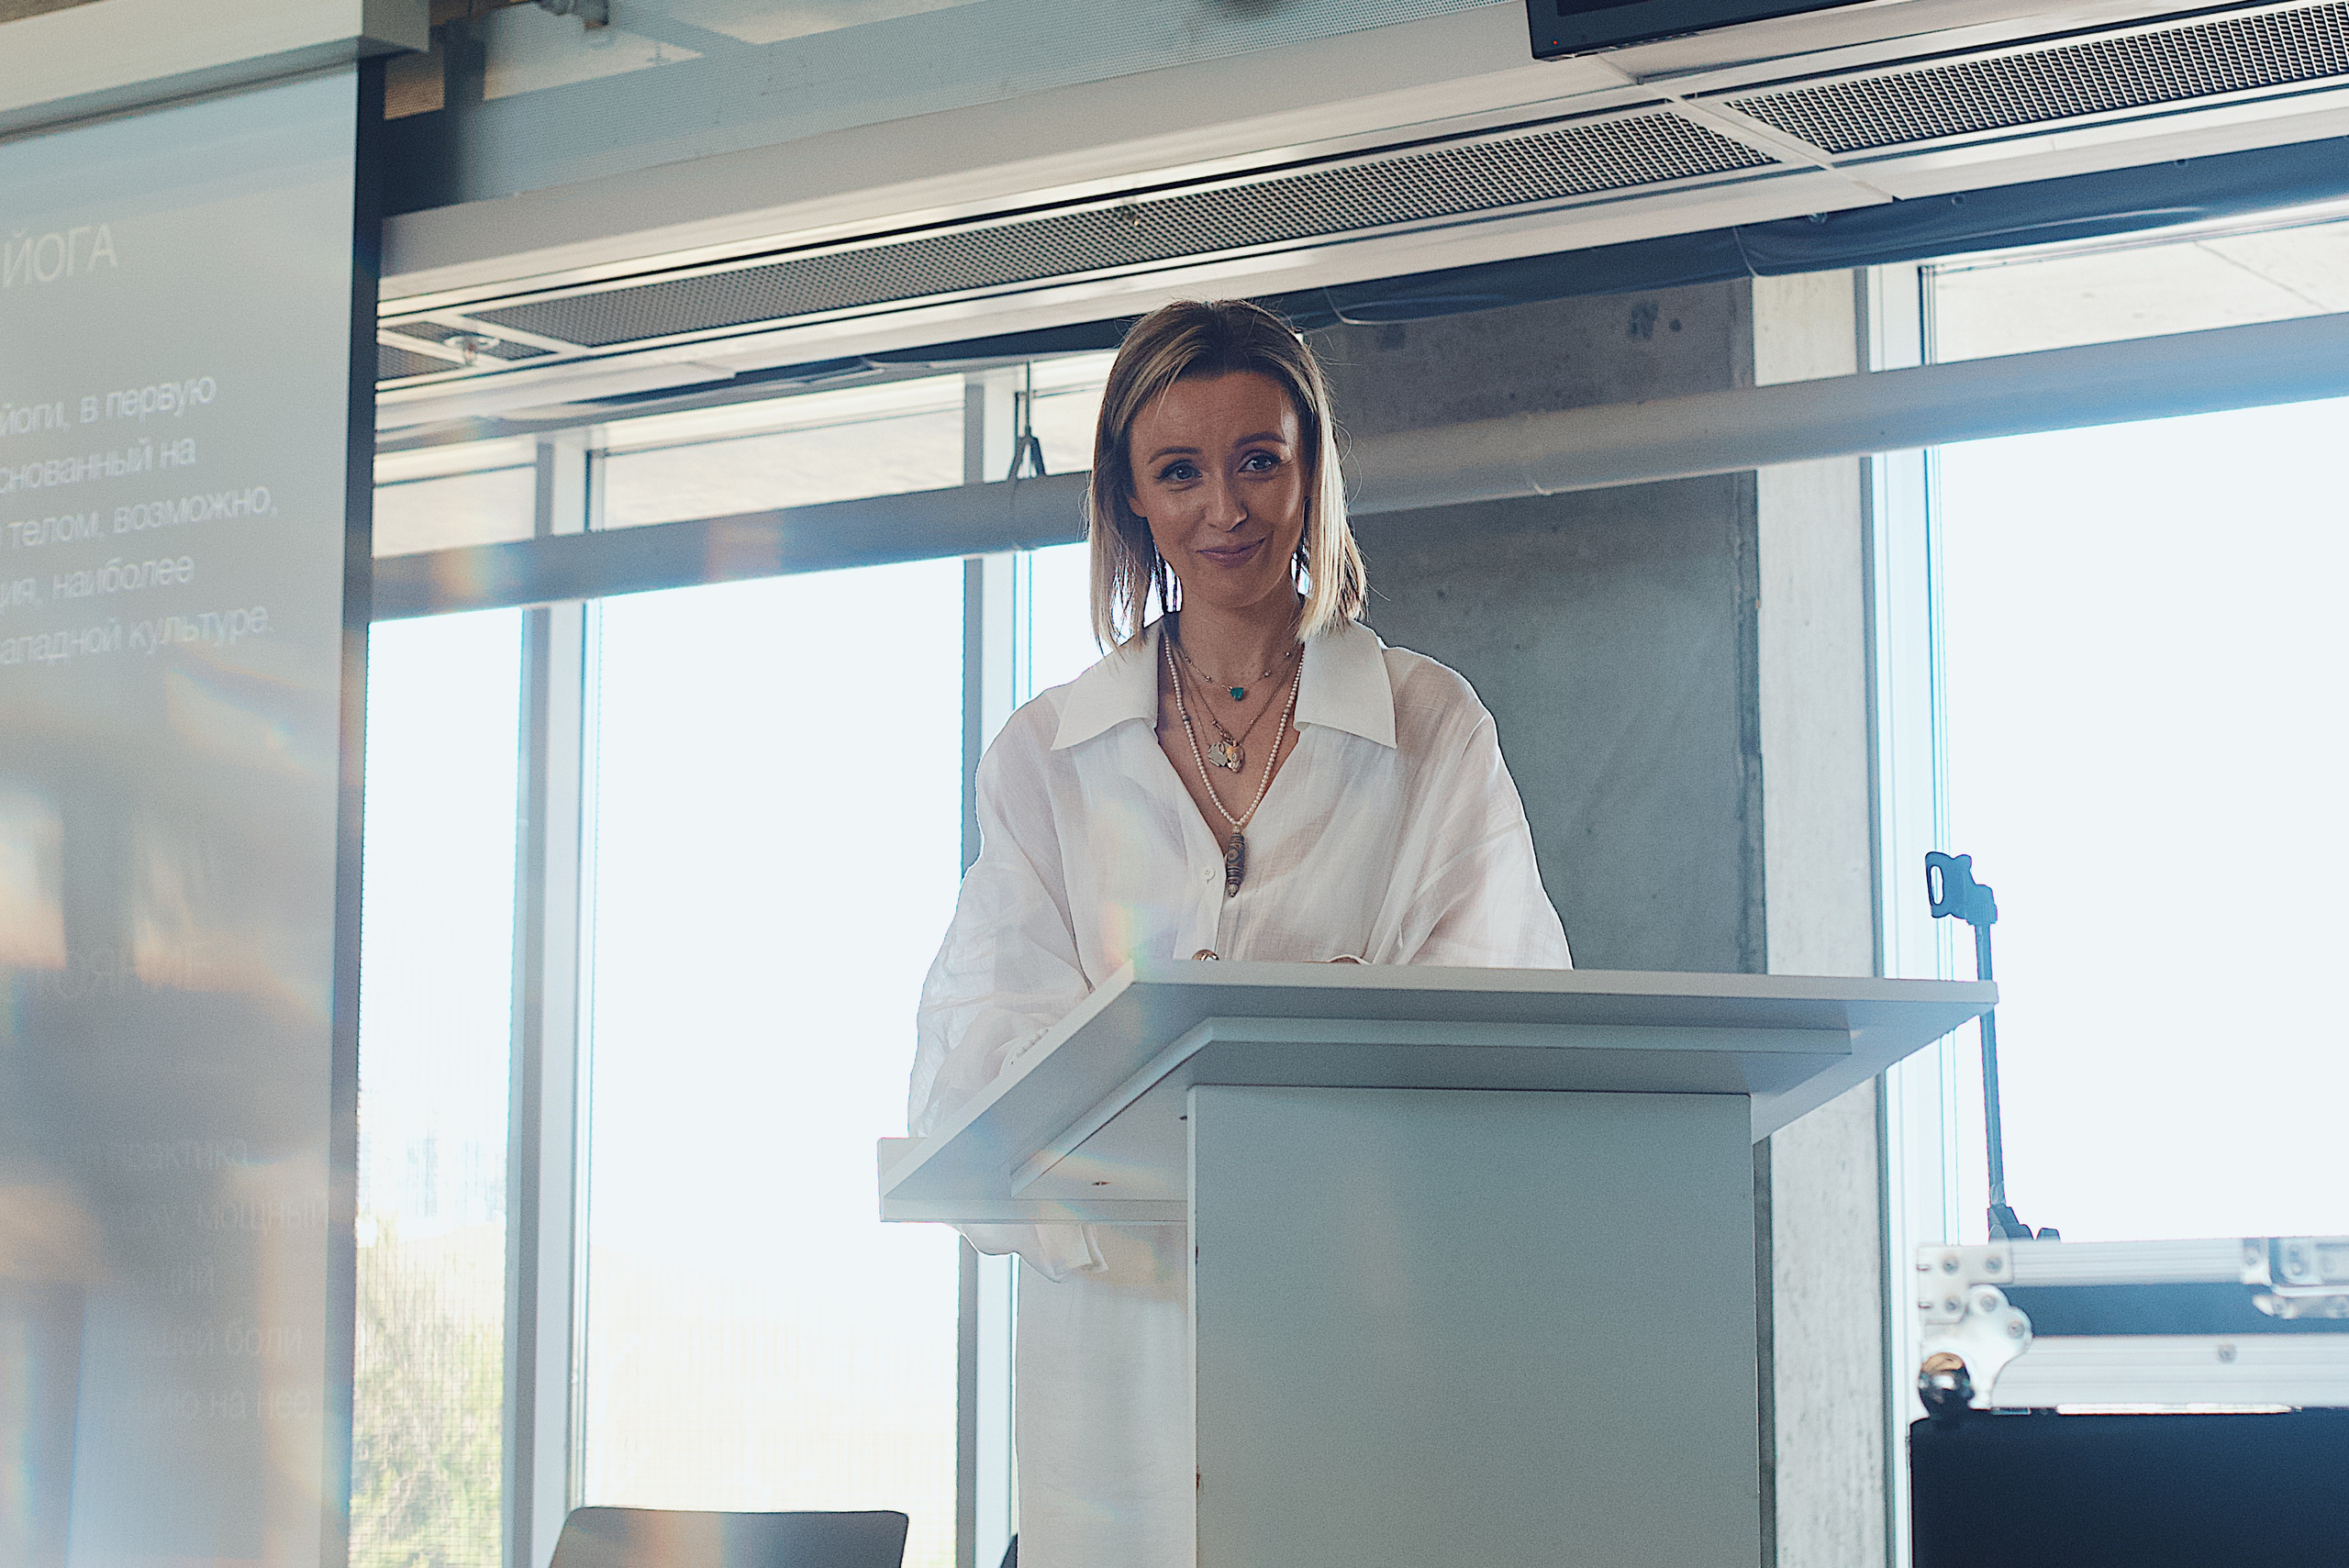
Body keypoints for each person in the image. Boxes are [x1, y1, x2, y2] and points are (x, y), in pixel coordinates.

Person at [907, 298, 1571, 1568]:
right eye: (1182, 470)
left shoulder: (1433, 727)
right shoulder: (1047, 760)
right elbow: (981, 1080)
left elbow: (1498, 1041)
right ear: (1132, 500)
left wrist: (1206, 1072)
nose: (1229, 507)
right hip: (1118, 1384)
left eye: (1261, 459)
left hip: (1370, 1359)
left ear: (1310, 469)